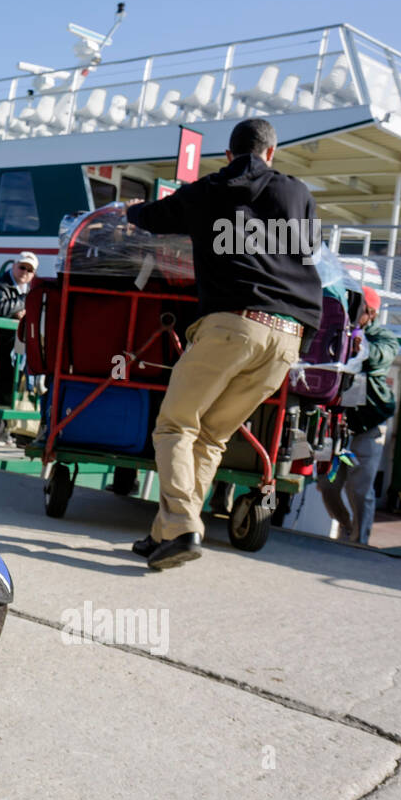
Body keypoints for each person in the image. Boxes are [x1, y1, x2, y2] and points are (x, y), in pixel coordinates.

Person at [124, 118, 322, 569]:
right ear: (271, 153)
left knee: (175, 425)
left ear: (229, 155)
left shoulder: (209, 190)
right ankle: (163, 533)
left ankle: (181, 527)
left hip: (234, 325)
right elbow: (308, 248)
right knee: (211, 436)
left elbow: (154, 219)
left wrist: (132, 210)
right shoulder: (299, 194)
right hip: (288, 337)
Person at [319, 286, 397, 544]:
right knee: (327, 485)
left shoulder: (383, 338)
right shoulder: (337, 328)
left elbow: (380, 358)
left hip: (369, 424)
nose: (351, 312)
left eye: (358, 308)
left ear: (371, 313)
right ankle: (346, 525)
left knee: (360, 489)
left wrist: (363, 347)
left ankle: (359, 539)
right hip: (339, 425)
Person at [0, 252, 39, 443]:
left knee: (4, 398)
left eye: (30, 270)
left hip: (12, 351)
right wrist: (25, 300)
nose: (25, 272)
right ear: (13, 266)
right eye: (22, 267)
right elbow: (0, 309)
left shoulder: (24, 289)